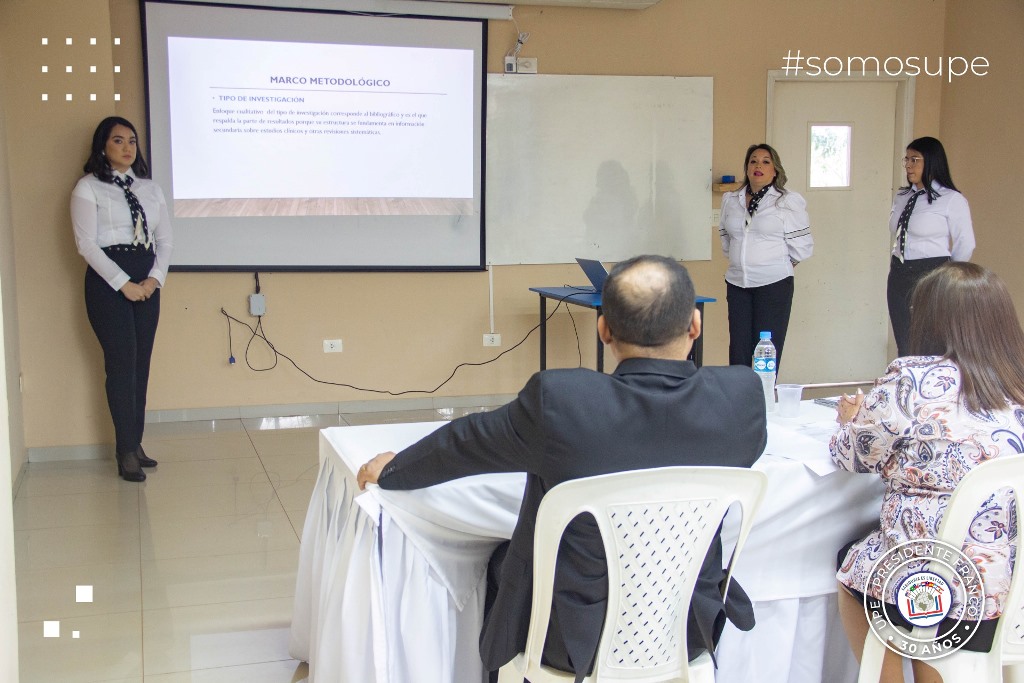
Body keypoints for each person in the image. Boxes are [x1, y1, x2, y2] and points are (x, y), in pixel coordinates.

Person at [357, 255, 767, 682]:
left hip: (569, 643)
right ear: (695, 325)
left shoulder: (563, 404)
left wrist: (393, 468)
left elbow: (466, 444)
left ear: (603, 328)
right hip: (687, 630)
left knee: (499, 559)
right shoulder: (741, 400)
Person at [832, 262, 1024, 683]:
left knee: (852, 567)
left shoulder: (911, 380)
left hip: (933, 597)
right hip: (1009, 592)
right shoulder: (1016, 383)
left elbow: (851, 457)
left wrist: (851, 420)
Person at [71, 116, 172, 482]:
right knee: (121, 364)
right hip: (107, 282)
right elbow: (86, 244)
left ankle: (135, 442)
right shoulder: (89, 188)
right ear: (103, 146)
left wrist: (153, 280)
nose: (127, 147)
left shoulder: (150, 188)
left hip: (146, 280)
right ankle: (124, 450)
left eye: (132, 140)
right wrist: (123, 283)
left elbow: (164, 242)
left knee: (141, 364)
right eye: (118, 140)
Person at [719, 143, 812, 370]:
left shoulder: (786, 201)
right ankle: (739, 401)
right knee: (738, 348)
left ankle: (765, 402)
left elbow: (802, 247)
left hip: (773, 285)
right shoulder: (732, 200)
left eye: (765, 161)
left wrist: (773, 265)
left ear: (775, 170)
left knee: (766, 352)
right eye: (753, 161)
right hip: (737, 283)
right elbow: (726, 238)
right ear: (747, 168)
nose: (758, 165)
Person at [886, 136, 974, 357]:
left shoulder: (951, 200)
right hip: (899, 272)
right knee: (905, 341)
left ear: (932, 162)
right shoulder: (903, 197)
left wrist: (948, 276)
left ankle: (932, 388)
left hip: (932, 273)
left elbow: (965, 243)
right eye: (906, 159)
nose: (908, 165)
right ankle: (909, 387)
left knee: (930, 341)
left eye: (915, 159)